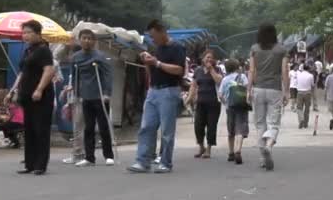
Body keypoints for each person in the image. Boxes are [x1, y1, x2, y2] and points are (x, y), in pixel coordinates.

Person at [128, 19, 186, 174]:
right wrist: (148, 62)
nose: (152, 39)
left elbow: (179, 70)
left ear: (162, 32)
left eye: (154, 36)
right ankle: (142, 161)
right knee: (146, 127)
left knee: (167, 130)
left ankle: (165, 162)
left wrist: (157, 63)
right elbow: (152, 71)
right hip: (153, 90)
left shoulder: (177, 47)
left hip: (169, 91)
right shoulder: (158, 48)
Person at [5, 20, 55, 175]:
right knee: (30, 129)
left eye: (28, 32)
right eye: (24, 32)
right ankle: (30, 164)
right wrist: (12, 91)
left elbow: (49, 70)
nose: (25, 35)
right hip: (26, 95)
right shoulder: (28, 51)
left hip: (41, 96)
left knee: (41, 129)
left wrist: (39, 89)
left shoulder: (44, 50)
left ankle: (40, 165)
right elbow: (22, 73)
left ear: (38, 33)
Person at [70, 29, 115, 167]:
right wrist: (76, 93)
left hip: (100, 96)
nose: (87, 41)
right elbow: (74, 74)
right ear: (79, 40)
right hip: (86, 96)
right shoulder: (76, 57)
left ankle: (109, 155)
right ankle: (89, 158)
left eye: (90, 39)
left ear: (94, 41)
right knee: (88, 127)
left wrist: (107, 93)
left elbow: (107, 75)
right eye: (84, 38)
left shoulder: (100, 56)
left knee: (103, 126)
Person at [248, 23, 289, 171]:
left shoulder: (254, 49)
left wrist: (248, 89)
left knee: (260, 124)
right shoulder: (281, 50)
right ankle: (269, 146)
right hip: (275, 90)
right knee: (273, 123)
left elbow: (252, 71)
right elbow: (284, 72)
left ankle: (262, 157)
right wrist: (287, 92)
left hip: (258, 89)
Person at [186, 50, 223, 159]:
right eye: (207, 57)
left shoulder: (217, 69)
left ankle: (208, 149)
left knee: (211, 126)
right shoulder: (198, 70)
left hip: (213, 103)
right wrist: (189, 99)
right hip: (200, 102)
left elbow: (219, 81)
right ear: (203, 59)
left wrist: (211, 70)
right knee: (198, 126)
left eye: (211, 58)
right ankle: (201, 147)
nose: (209, 59)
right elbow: (193, 86)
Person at [219, 59, 250, 165]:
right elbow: (248, 90)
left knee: (231, 130)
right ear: (237, 67)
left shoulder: (225, 79)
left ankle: (231, 152)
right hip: (241, 106)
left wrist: (225, 103)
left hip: (230, 107)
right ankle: (238, 150)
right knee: (240, 129)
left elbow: (220, 95)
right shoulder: (242, 77)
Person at [61, 42, 85, 164]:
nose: (69, 56)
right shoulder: (75, 67)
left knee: (78, 128)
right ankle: (79, 153)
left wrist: (70, 88)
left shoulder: (79, 66)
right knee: (78, 128)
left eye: (70, 53)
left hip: (79, 99)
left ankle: (78, 154)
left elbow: (80, 84)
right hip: (74, 99)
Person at [296, 63, 314, 129]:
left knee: (299, 108)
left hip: (300, 92)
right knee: (307, 109)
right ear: (309, 69)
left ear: (303, 68)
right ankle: (305, 123)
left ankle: (301, 119)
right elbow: (312, 85)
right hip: (307, 93)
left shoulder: (299, 75)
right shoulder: (311, 75)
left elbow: (296, 83)